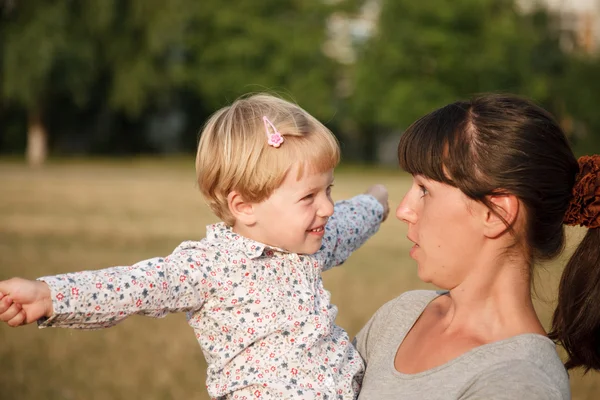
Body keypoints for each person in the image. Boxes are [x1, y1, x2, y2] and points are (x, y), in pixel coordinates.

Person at [0, 93, 390, 399]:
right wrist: (51, 297)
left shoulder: (311, 242)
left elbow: (348, 222)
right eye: (309, 197)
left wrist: (376, 202)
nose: (327, 207)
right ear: (245, 205)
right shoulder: (208, 266)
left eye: (330, 189)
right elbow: (132, 287)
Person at [355, 93, 599, 399]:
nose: (404, 210)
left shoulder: (519, 383)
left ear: (496, 214)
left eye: (424, 190)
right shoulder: (400, 316)